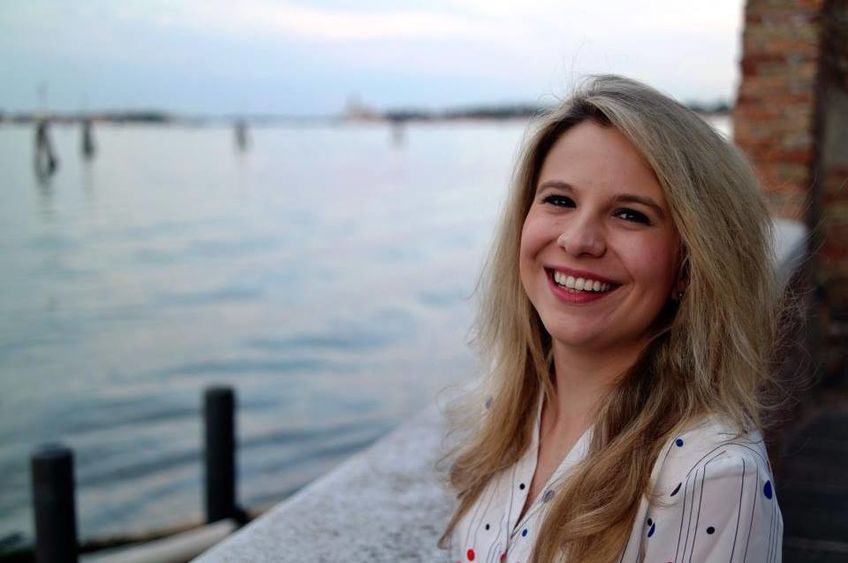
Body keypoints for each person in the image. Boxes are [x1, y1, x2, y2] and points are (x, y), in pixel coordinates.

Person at [440, 75, 784, 563]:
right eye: (559, 200)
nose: (579, 241)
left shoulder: (713, 475)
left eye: (630, 215)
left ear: (690, 265)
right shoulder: (507, 407)